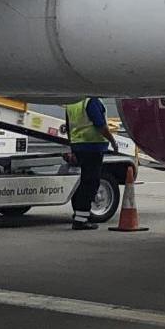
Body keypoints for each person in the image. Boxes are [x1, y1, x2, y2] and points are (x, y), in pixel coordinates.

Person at [63, 96, 113, 229]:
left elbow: (68, 127)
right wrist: (112, 140)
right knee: (91, 182)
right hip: (93, 147)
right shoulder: (91, 101)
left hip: (78, 146)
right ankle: (81, 220)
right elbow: (100, 125)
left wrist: (72, 147)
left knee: (84, 181)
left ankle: (79, 215)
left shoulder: (72, 103)